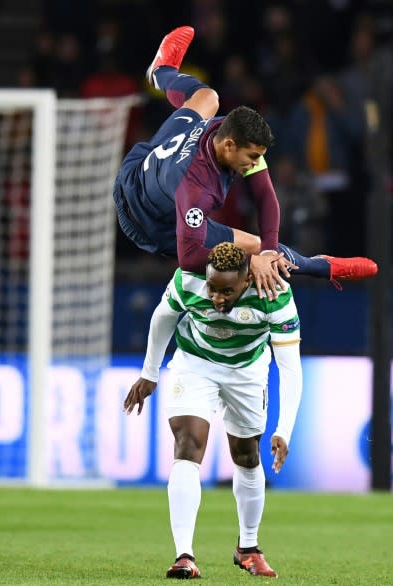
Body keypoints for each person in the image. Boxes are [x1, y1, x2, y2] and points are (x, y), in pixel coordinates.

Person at [113, 25, 378, 300]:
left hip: (145, 162)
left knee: (207, 97)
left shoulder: (224, 130)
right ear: (229, 145)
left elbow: (265, 197)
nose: (255, 163)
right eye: (252, 157)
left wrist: (270, 252)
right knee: (252, 245)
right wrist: (254, 260)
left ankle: (161, 72)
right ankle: (321, 267)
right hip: (145, 219)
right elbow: (189, 258)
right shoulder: (196, 189)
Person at [123, 242, 302, 579]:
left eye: (226, 290)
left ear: (247, 281)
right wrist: (149, 373)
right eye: (212, 288)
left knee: (248, 456)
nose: (217, 297)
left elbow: (290, 367)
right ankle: (184, 556)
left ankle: (248, 548)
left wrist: (285, 428)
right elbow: (163, 317)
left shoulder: (275, 294)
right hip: (195, 363)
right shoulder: (188, 279)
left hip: (247, 371)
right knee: (188, 445)